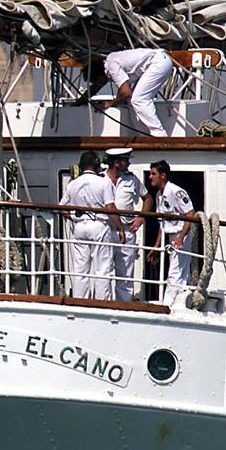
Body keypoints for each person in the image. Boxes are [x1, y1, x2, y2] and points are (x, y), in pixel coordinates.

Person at [59, 151, 123, 299]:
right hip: (99, 225)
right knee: (102, 268)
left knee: (80, 268)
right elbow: (110, 208)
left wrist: (73, 218)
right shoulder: (103, 182)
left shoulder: (73, 184)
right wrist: (120, 228)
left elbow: (61, 207)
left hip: (80, 227)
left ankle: (80, 300)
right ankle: (101, 302)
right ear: (96, 165)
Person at [93, 47, 175, 137]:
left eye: (99, 81)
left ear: (100, 76)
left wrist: (110, 104)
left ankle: (160, 135)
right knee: (132, 100)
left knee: (139, 99)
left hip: (158, 63)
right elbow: (97, 87)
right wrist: (81, 100)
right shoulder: (110, 62)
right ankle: (146, 136)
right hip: (158, 62)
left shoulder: (111, 66)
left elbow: (126, 92)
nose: (101, 84)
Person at [104, 148, 151, 301]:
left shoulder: (132, 179)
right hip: (104, 229)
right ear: (117, 163)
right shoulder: (100, 179)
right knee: (103, 269)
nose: (129, 163)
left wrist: (141, 218)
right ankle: (102, 302)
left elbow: (147, 198)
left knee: (125, 272)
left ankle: (123, 304)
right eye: (126, 160)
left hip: (127, 231)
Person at [148, 160, 195, 307]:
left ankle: (167, 305)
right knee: (180, 271)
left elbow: (190, 213)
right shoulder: (158, 195)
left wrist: (181, 237)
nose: (150, 177)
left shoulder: (176, 191)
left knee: (176, 271)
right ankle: (182, 302)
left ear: (163, 175)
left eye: (153, 174)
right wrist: (156, 247)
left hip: (181, 235)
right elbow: (163, 224)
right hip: (170, 236)